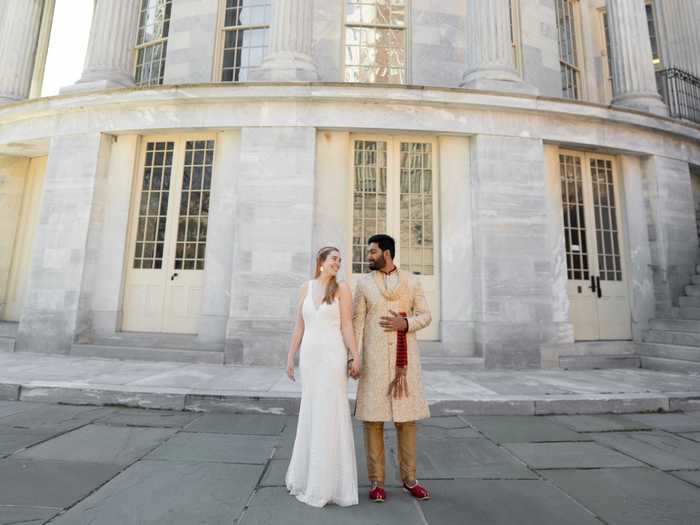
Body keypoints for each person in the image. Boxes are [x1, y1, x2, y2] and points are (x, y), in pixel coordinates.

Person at [353, 234, 432, 503]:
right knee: (373, 421)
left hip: (404, 364)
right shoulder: (363, 284)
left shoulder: (411, 281)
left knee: (406, 422)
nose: (369, 256)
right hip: (374, 361)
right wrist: (353, 358)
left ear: (386, 253)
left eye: (372, 252)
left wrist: (406, 324)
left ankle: (410, 479)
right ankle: (376, 482)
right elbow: (357, 323)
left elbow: (426, 315)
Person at [285, 246, 361, 508]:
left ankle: (330, 484)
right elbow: (299, 326)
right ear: (321, 262)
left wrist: (355, 354)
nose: (337, 263)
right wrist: (290, 357)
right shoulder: (305, 288)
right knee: (311, 410)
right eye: (333, 259)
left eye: (340, 260)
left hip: (332, 356)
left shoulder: (342, 290)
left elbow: (347, 326)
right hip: (310, 357)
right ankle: (306, 476)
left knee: (330, 413)